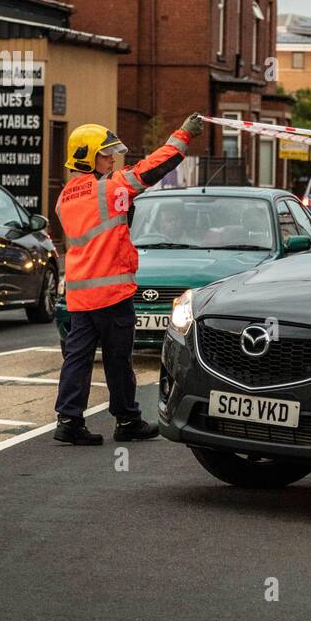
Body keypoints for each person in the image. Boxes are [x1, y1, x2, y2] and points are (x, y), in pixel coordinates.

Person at [53, 115, 206, 445]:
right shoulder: (109, 189)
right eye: (106, 154)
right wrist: (184, 134)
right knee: (118, 359)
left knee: (77, 358)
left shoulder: (64, 198)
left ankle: (68, 419)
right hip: (112, 294)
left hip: (81, 296)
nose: (112, 160)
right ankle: (127, 420)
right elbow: (153, 168)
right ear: (87, 156)